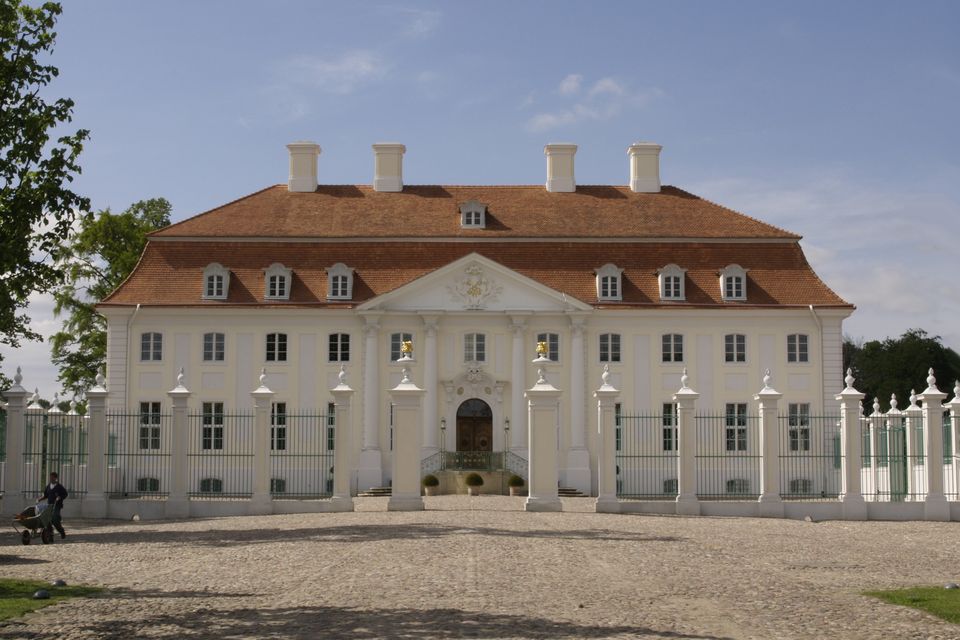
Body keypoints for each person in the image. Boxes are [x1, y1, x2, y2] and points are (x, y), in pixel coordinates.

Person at [39, 472, 68, 539]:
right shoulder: (48, 486)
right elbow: (45, 495)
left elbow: (65, 494)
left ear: (55, 478)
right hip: (49, 506)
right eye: (50, 477)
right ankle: (50, 536)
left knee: (55, 519)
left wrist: (60, 497)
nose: (51, 479)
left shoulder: (59, 487)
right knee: (47, 520)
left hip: (57, 505)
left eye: (52, 477)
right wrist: (40, 499)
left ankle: (61, 531)